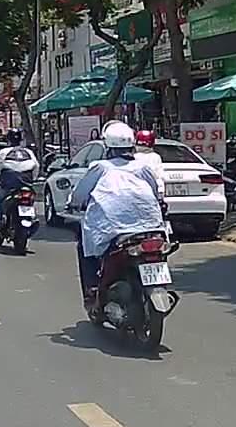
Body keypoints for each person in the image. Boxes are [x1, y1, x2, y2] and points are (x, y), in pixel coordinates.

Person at [69, 121, 165, 309]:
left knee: (84, 246)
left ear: (108, 146)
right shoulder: (143, 167)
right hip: (151, 227)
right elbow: (155, 193)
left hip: (113, 230)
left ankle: (92, 290)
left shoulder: (100, 167)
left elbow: (79, 195)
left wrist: (73, 203)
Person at [0, 129, 40, 230]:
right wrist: (33, 179)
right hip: (26, 186)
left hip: (8, 187)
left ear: (8, 140)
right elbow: (36, 166)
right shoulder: (28, 152)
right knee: (31, 199)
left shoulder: (3, 152)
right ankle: (33, 217)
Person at [134, 128, 166, 196]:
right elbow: (160, 176)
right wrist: (161, 191)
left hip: (138, 191)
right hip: (153, 191)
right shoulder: (155, 157)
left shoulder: (134, 157)